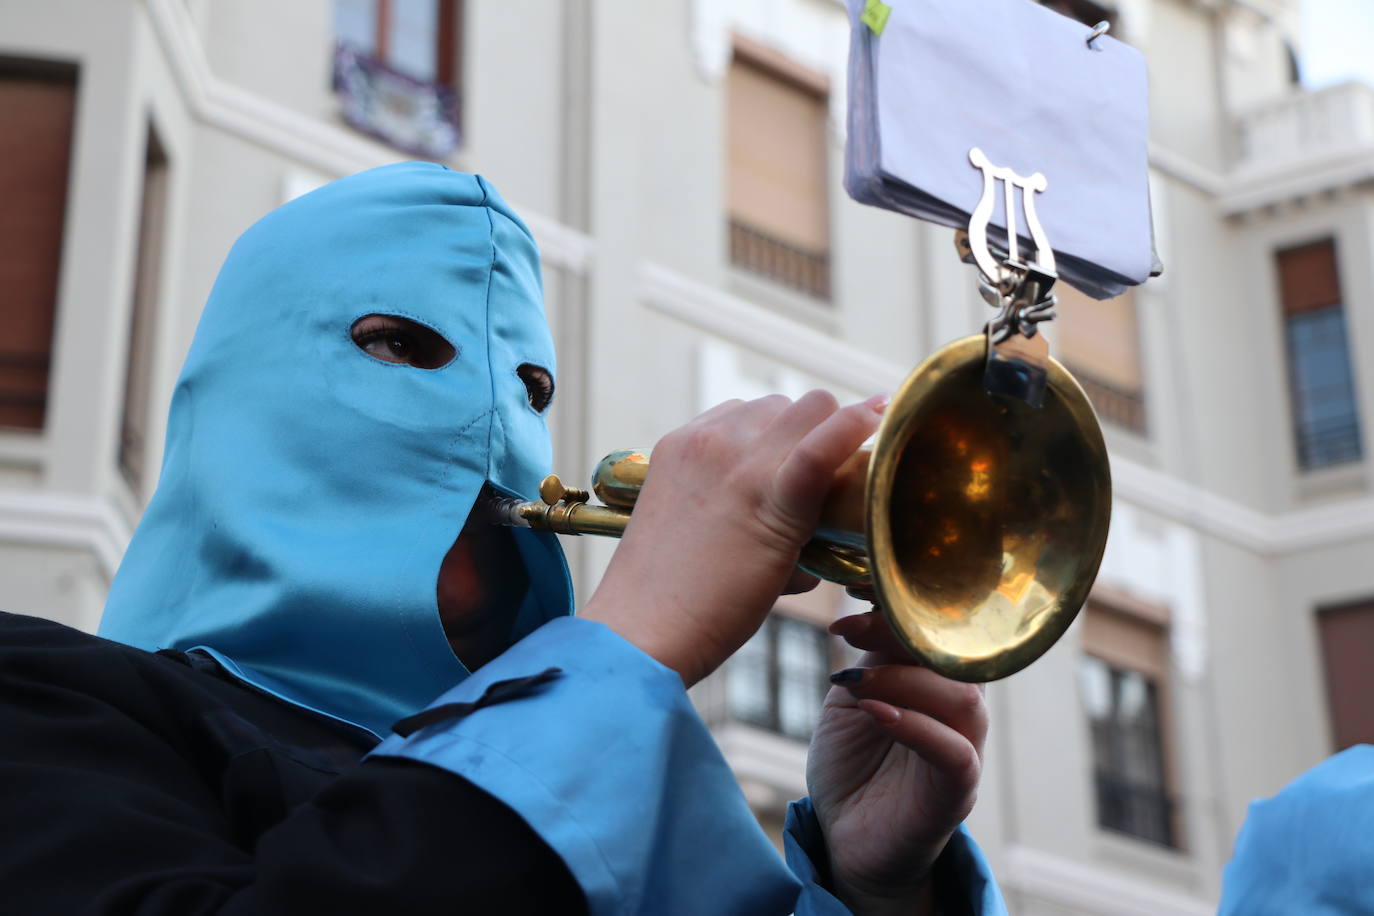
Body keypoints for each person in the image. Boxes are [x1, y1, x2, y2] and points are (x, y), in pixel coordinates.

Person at [0, 162, 1006, 914]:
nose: (493, 420)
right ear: (247, 397)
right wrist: (629, 644)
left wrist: (877, 883)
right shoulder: (41, 703)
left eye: (533, 388)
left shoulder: (641, 800)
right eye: (400, 344)